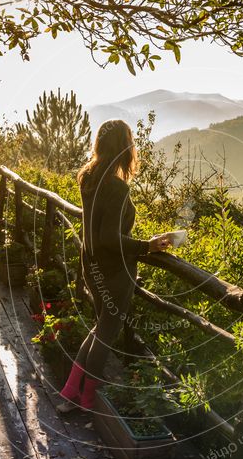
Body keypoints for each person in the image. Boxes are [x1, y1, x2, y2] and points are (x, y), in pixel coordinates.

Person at [56, 119, 171, 413]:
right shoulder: (117, 188)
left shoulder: (88, 177)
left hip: (90, 265)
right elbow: (109, 237)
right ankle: (87, 399)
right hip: (114, 271)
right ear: (125, 146)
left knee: (99, 329)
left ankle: (70, 391)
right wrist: (148, 245)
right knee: (106, 334)